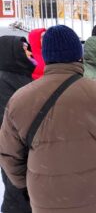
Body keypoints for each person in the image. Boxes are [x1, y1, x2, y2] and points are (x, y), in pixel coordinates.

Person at [0, 25, 96, 213]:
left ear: (45, 55)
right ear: (79, 54)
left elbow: (8, 155)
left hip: (47, 200)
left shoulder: (20, 99)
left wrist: (26, 181)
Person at [0, 36, 35, 213]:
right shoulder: (4, 81)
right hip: (15, 153)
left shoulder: (22, 76)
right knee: (17, 195)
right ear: (11, 54)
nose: (29, 52)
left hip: (27, 152)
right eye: (23, 49)